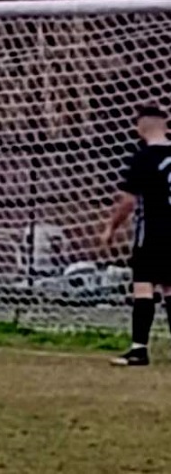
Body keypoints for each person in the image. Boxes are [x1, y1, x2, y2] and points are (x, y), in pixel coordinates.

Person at [101, 105, 171, 367]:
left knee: (143, 285)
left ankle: (139, 349)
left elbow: (128, 201)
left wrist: (110, 228)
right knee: (169, 287)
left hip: (151, 230)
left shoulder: (142, 158)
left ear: (140, 127)